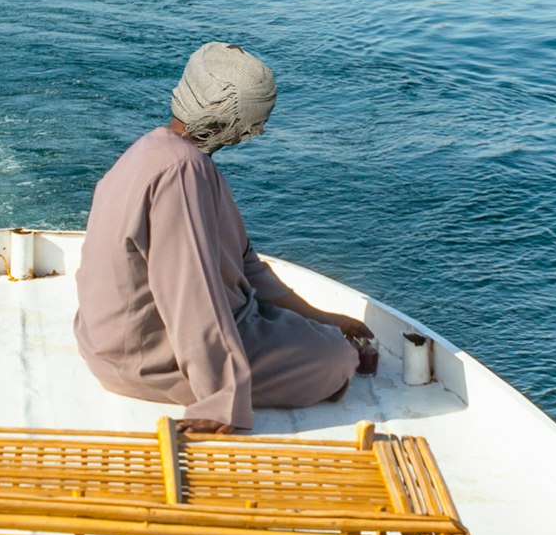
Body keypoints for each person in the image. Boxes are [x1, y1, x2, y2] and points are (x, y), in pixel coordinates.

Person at [75, 44, 375, 434]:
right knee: (333, 360)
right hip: (145, 357)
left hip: (109, 341)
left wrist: (319, 315)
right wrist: (218, 402)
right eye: (254, 120)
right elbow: (189, 294)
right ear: (225, 117)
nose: (257, 132)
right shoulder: (184, 173)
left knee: (320, 336)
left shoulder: (157, 150)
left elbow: (244, 263)